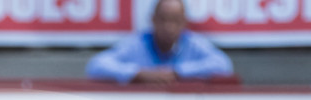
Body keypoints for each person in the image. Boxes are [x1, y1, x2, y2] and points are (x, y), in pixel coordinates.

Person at [86, 0, 233, 85]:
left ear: (184, 22)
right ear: (153, 20)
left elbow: (223, 65)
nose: (169, 26)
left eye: (175, 20)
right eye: (163, 19)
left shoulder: (193, 43)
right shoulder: (138, 43)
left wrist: (177, 72)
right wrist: (138, 74)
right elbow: (96, 66)